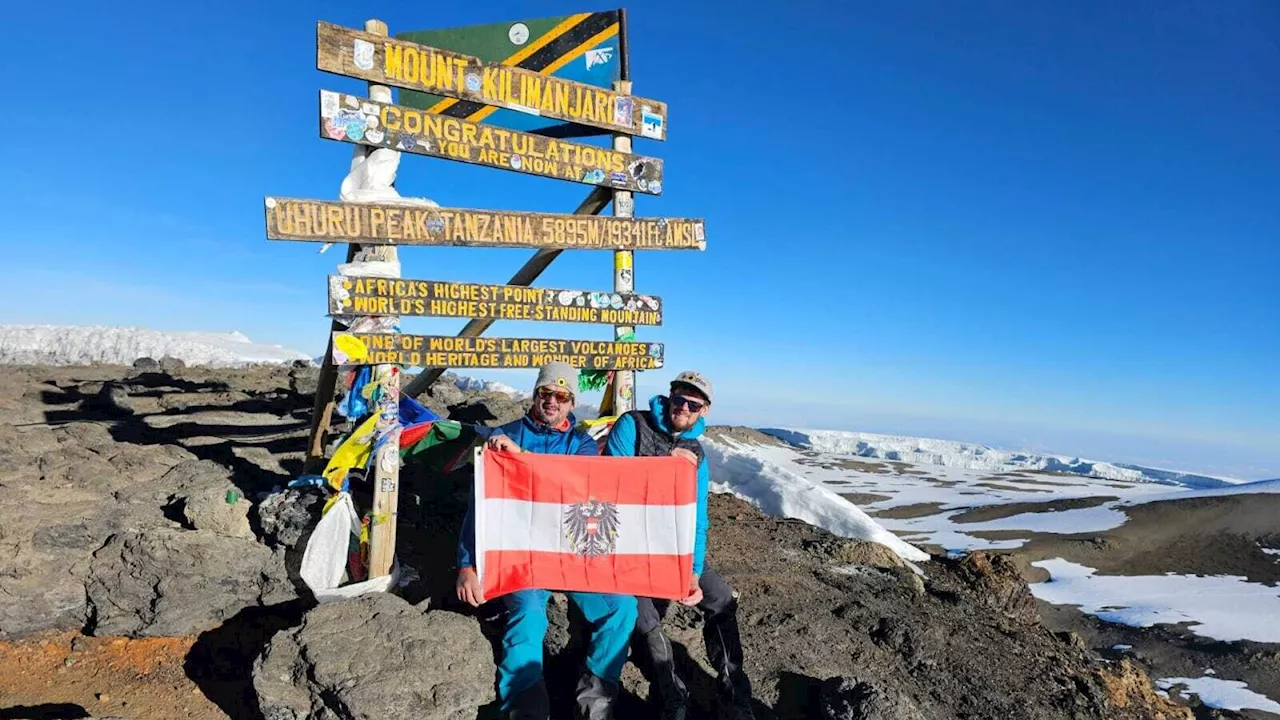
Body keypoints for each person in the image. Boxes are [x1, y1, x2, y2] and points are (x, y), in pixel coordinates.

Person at [456, 361, 638, 720]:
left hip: (572, 557)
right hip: (522, 556)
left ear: (571, 402)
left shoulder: (581, 443)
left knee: (622, 608)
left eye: (562, 395)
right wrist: (466, 565)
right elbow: (478, 508)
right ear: (534, 395)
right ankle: (524, 710)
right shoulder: (503, 434)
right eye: (545, 393)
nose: (552, 401)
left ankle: (595, 703)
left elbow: (574, 489)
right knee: (528, 617)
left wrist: (521, 459)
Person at [604, 371, 755, 720]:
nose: (683, 407)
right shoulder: (632, 425)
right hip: (629, 548)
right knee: (644, 615)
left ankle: (734, 694)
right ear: (669, 396)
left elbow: (698, 518)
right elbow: (614, 485)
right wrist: (664, 470)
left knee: (721, 599)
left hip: (673, 550)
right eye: (679, 398)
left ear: (703, 411)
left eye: (693, 404)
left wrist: (693, 570)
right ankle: (672, 694)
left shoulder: (696, 453)